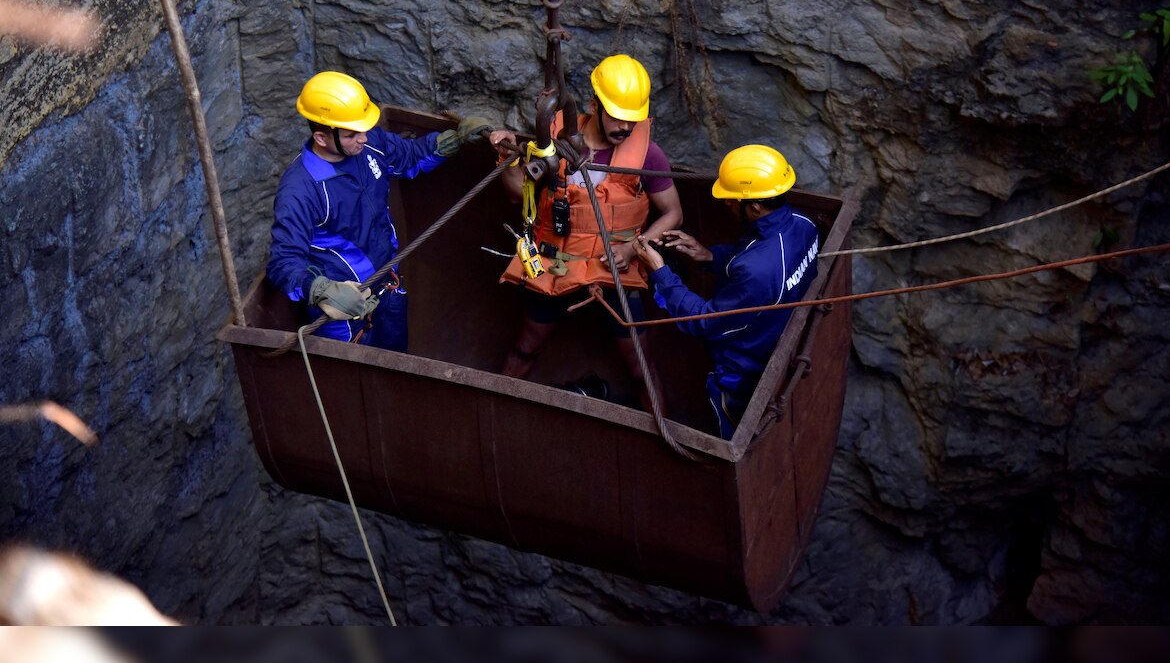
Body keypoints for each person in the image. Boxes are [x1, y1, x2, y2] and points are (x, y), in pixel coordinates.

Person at [267, 69, 511, 350]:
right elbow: (283, 262)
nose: (363, 138)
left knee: (395, 360)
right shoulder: (301, 189)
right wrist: (321, 290)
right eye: (351, 134)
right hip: (341, 312)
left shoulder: (368, 145)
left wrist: (453, 140)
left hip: (388, 285)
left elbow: (409, 157)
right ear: (322, 138)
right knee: (354, 381)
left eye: (362, 129)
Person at [497, 54, 683, 409]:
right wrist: (507, 159)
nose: (625, 128)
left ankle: (665, 432)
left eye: (632, 119)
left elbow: (673, 213)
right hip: (554, 263)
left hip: (615, 269)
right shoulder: (553, 140)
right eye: (616, 116)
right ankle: (496, 410)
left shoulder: (648, 155)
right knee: (526, 346)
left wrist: (633, 248)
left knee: (640, 364)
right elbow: (516, 195)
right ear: (595, 104)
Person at [631, 144, 819, 438]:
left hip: (742, 369)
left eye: (732, 201)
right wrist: (710, 256)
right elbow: (755, 258)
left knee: (727, 426)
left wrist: (660, 271)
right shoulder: (803, 225)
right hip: (770, 333)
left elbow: (704, 321)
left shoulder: (759, 271)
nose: (726, 205)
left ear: (754, 206)